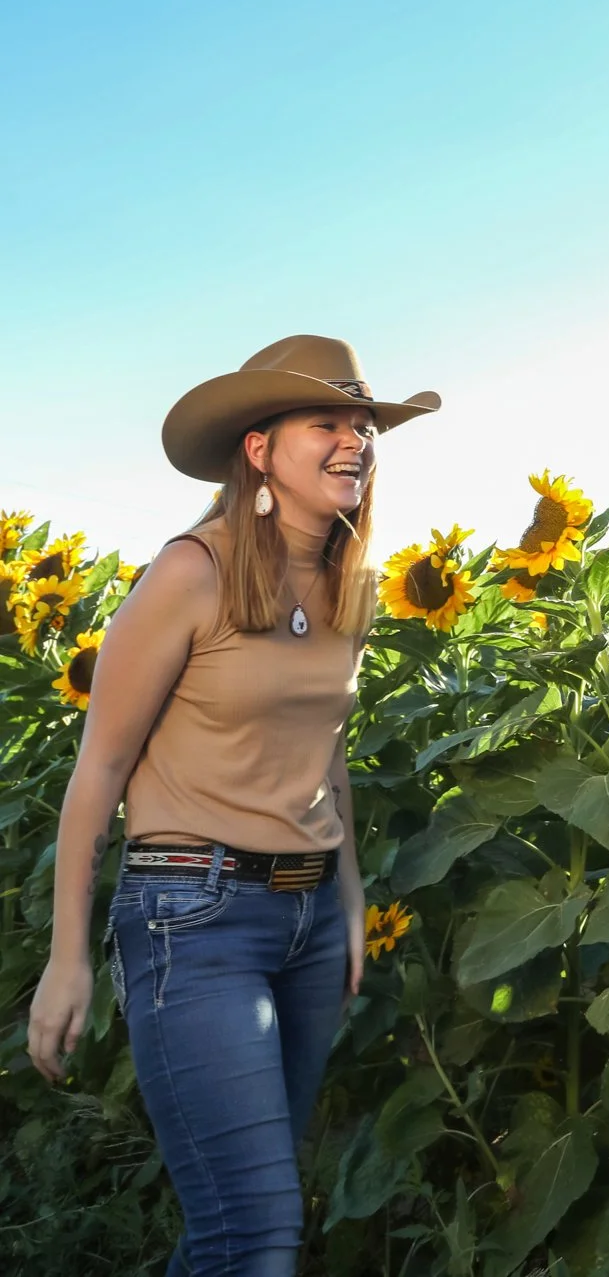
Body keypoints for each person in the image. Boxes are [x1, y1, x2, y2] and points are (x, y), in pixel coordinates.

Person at [26, 335, 439, 1276]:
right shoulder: (192, 572)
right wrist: (66, 958)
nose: (355, 442)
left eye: (363, 425)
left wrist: (347, 901)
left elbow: (323, 754)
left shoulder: (348, 583)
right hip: (193, 917)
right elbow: (99, 770)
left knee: (238, 1221)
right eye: (325, 423)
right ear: (260, 449)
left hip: (307, 927)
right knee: (253, 1235)